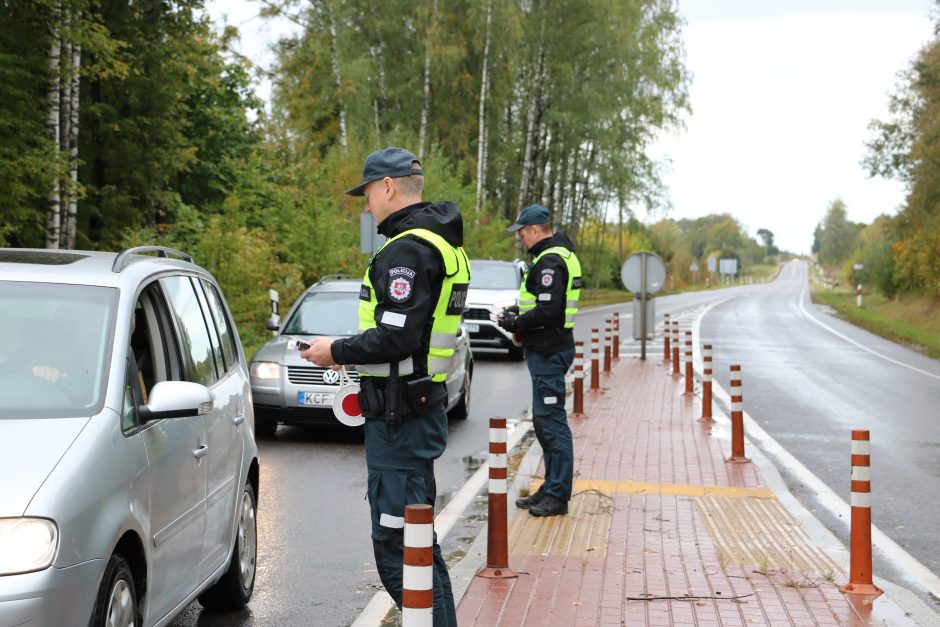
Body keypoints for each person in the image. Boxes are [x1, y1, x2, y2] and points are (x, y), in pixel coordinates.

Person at [301, 147, 467, 626]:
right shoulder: (439, 243)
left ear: (389, 187)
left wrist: (337, 351)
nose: (367, 204)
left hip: (400, 420)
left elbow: (397, 335)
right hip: (410, 410)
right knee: (416, 548)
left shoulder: (408, 250)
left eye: (369, 193)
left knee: (400, 553)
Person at [498, 204, 582, 517]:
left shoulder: (550, 260)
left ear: (535, 230)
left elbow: (549, 311)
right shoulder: (559, 255)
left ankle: (558, 495)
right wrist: (518, 317)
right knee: (544, 422)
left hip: (549, 350)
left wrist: (516, 322)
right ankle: (551, 487)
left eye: (522, 232)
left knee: (552, 423)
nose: (520, 238)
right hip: (550, 348)